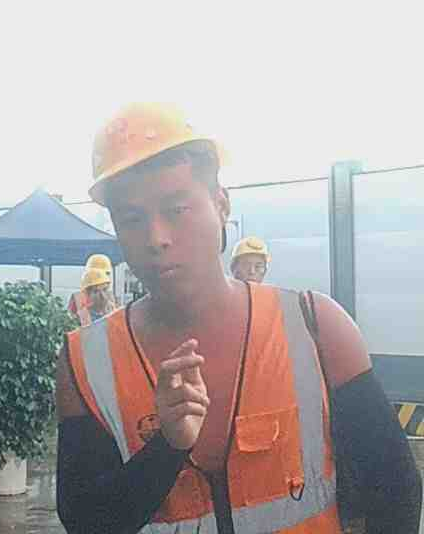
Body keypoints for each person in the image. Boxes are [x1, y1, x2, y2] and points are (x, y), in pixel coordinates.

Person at [56, 102, 421, 534]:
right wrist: (167, 447)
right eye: (132, 219)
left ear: (221, 204)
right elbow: (86, 521)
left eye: (176, 209)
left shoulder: (316, 328)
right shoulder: (85, 363)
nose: (156, 238)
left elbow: (396, 495)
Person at [67, 253, 114, 325]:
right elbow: (72, 322)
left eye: (107, 274)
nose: (105, 277)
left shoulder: (109, 298)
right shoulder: (77, 299)